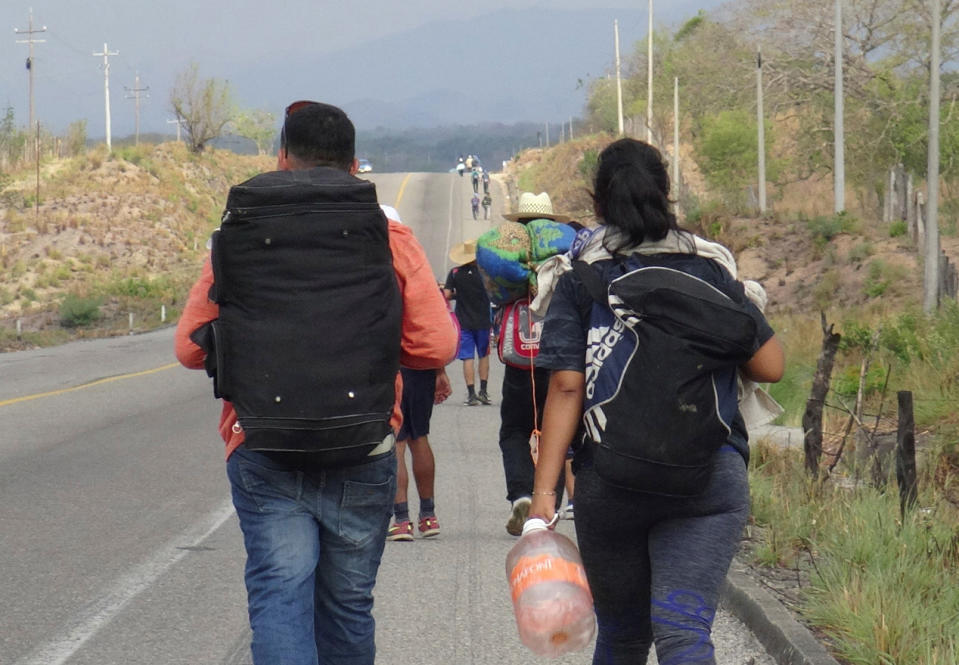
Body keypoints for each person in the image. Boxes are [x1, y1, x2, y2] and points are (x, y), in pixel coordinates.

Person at [175, 100, 458, 665]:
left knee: (280, 596)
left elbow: (189, 347)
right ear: (356, 167)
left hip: (263, 444)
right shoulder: (388, 233)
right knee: (348, 607)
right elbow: (436, 345)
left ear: (282, 159)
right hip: (364, 445)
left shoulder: (237, 231)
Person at [528, 138, 785, 664]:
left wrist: (544, 495)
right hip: (708, 475)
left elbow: (567, 387)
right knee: (684, 631)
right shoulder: (711, 271)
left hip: (611, 480)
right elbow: (771, 367)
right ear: (666, 194)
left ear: (596, 203)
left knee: (622, 634)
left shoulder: (579, 279)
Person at [496, 191, 572, 535]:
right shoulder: (562, 248)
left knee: (514, 430)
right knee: (559, 430)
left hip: (519, 362)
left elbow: (493, 293)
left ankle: (521, 495)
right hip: (557, 357)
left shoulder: (508, 250)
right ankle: (550, 502)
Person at [386, 365, 452, 541]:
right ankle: (428, 516)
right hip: (422, 368)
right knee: (419, 437)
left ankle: (402, 520)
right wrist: (440, 371)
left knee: (397, 442)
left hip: (391, 368)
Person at [444, 240, 493, 406]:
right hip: (484, 321)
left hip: (464, 321)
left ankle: (471, 394)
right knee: (484, 355)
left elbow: (447, 294)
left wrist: (459, 294)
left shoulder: (455, 272)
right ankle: (484, 392)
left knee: (467, 357)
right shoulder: (485, 273)